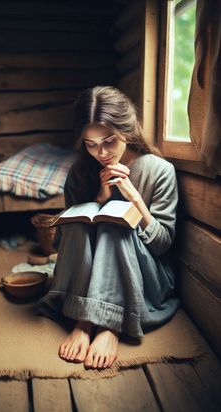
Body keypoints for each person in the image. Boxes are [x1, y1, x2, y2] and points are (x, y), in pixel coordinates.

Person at [35, 85, 181, 370]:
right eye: (90, 144)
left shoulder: (160, 171)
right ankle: (86, 318)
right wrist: (100, 198)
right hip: (85, 276)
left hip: (145, 276)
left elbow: (163, 245)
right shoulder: (80, 172)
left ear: (127, 130)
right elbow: (61, 243)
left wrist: (134, 200)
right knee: (81, 219)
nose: (100, 152)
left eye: (109, 141)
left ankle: (107, 324)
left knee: (117, 223)